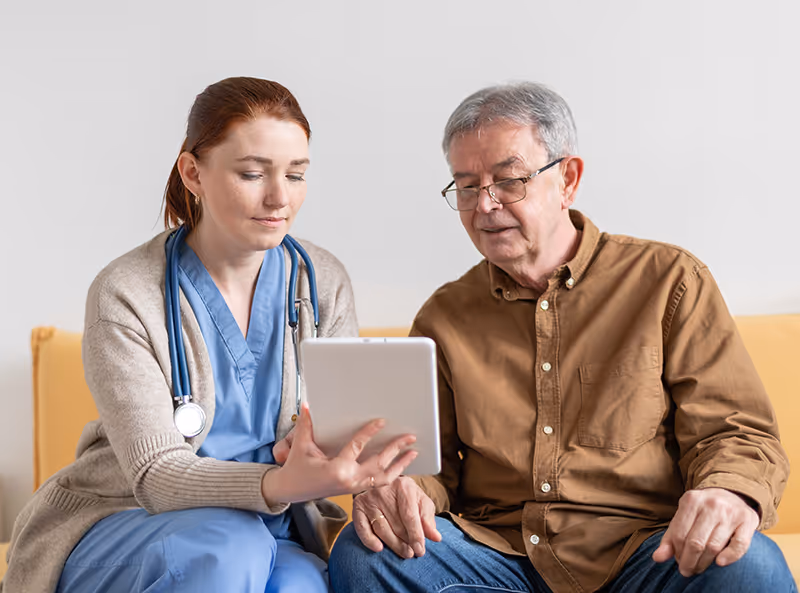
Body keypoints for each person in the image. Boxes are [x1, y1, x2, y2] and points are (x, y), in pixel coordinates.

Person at [329, 82, 795, 592]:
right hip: (499, 561)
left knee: (753, 565)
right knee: (366, 554)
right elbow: (425, 466)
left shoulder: (669, 281)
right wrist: (403, 489)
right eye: (465, 186)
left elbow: (734, 432)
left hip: (646, 553)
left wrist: (728, 493)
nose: (484, 205)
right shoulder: (444, 315)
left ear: (567, 179)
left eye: (508, 181)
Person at [1, 77, 417, 593]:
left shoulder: (319, 280)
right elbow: (154, 473)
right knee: (228, 549)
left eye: (296, 174)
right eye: (251, 173)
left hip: (272, 526)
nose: (279, 197)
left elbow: (336, 429)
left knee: (299, 586)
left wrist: (364, 468)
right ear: (193, 172)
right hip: (125, 520)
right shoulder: (126, 293)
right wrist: (282, 482)